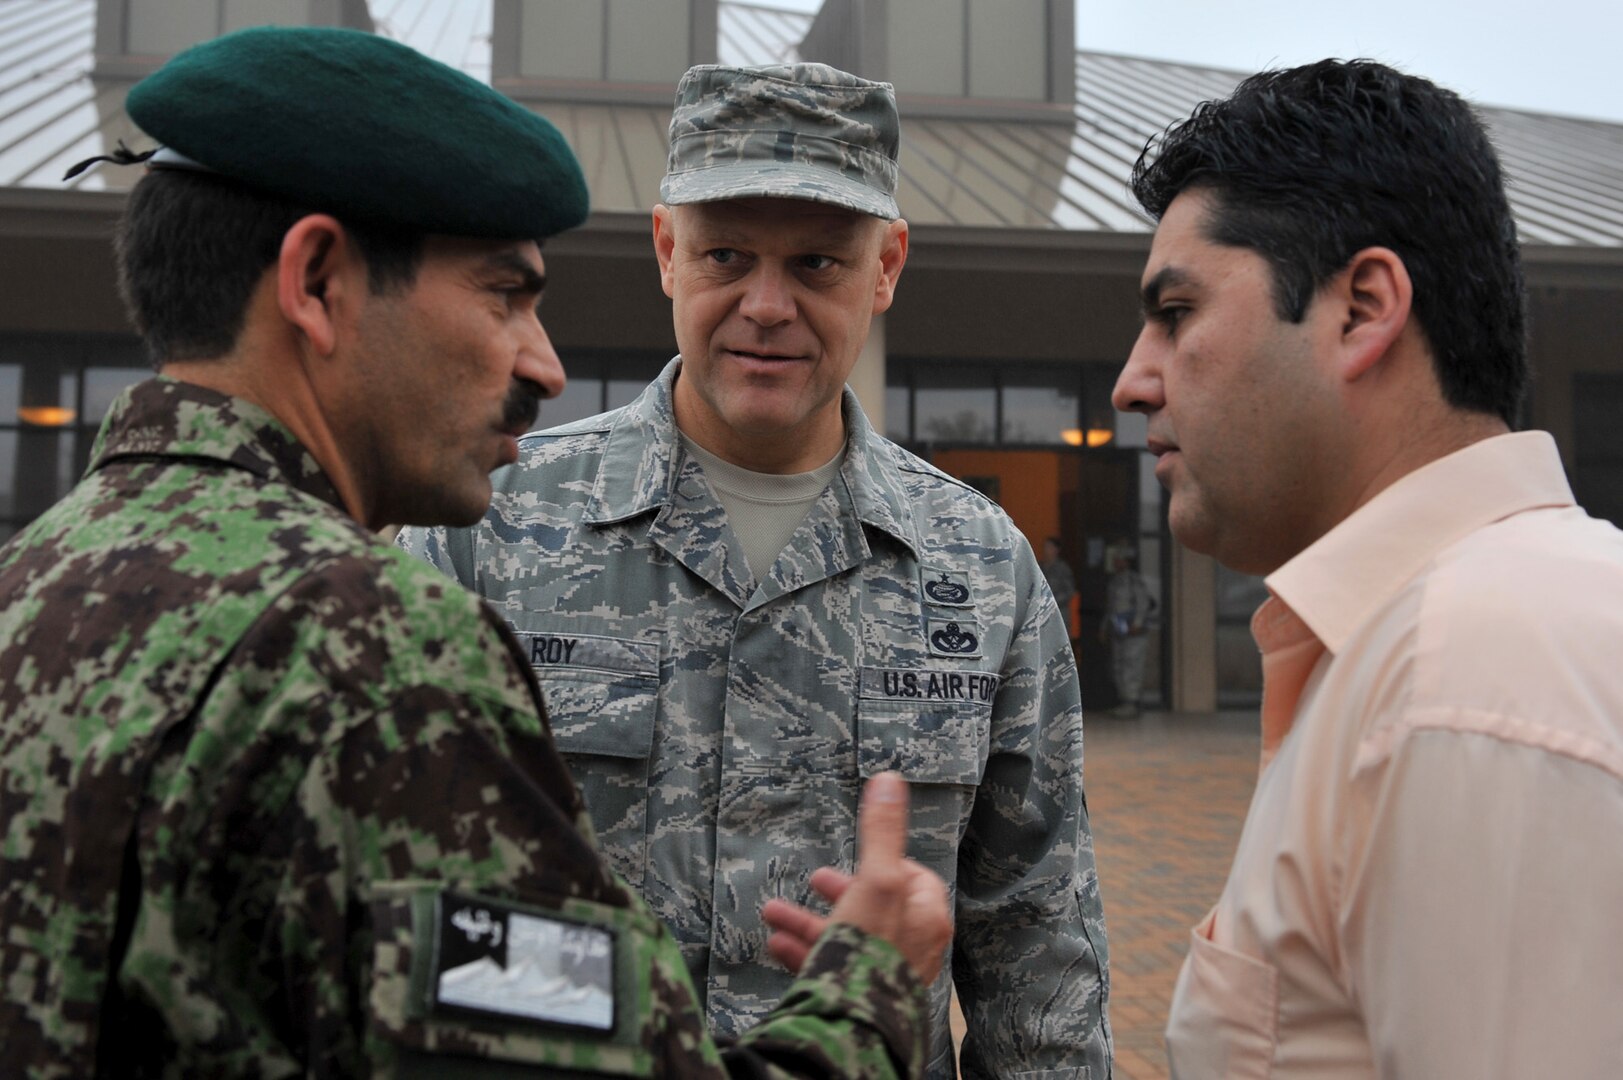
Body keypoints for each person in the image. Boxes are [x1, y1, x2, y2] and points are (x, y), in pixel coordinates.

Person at [0, 27, 953, 1076]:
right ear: (317, 282)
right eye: (506, 293)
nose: (543, 361)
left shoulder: (31, 588)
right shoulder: (367, 648)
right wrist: (870, 990)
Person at [401, 62, 1111, 1079]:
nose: (766, 305)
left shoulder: (980, 567)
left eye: (819, 263)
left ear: (887, 267)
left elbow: (1040, 955)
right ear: (666, 252)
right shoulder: (488, 528)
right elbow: (391, 901)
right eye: (726, 254)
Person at [1113, 58, 1623, 1077]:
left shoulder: (1468, 673)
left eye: (1176, 314)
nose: (1134, 381)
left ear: (1361, 309)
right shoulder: (1435, 642)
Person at [1098, 545, 1152, 717]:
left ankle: (1132, 703)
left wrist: (1137, 623)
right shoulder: (1114, 582)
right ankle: (1124, 702)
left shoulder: (1133, 580)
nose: (1116, 562)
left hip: (1134, 633)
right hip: (1118, 630)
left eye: (1119, 559)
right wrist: (1104, 628)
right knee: (1118, 666)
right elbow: (1111, 608)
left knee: (1132, 667)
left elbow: (1143, 603)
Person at [1039, 536, 1077, 637]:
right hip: (1041, 614)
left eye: (1049, 547)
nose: (1046, 550)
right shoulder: (1039, 567)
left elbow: (1070, 591)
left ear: (1056, 550)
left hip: (1059, 613)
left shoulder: (1062, 568)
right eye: (1045, 547)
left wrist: (1052, 601)